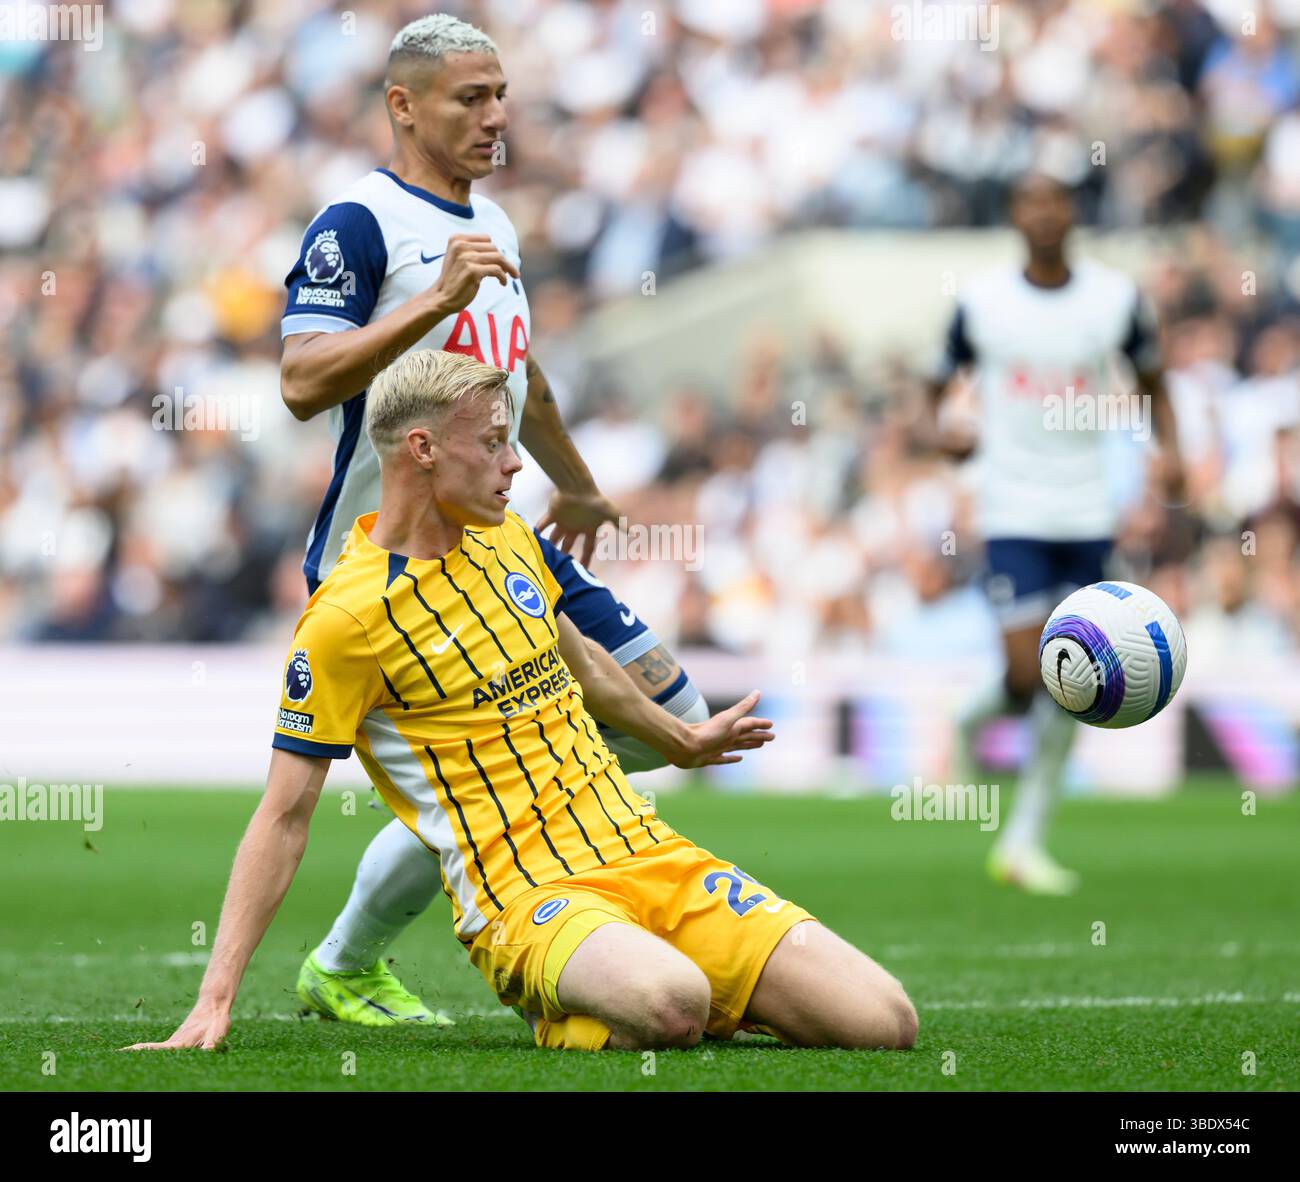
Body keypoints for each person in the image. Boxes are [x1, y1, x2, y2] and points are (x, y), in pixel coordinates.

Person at [125, 350, 917, 1054]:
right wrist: (214, 997)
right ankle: (571, 1005)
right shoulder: (344, 620)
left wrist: (680, 741)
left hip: (647, 852)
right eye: (494, 444)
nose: (515, 466)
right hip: (526, 894)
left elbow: (591, 668)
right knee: (674, 1003)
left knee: (885, 1023)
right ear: (423, 450)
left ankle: (640, 982)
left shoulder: (510, 540)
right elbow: (285, 814)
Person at [277, 13, 708, 1025]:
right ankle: (348, 962)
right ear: (402, 105)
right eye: (470, 98)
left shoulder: (495, 227)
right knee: (482, 771)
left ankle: (398, 927)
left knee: (673, 717)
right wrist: (431, 303)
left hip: (510, 545)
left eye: (500, 94)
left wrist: (582, 482)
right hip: (403, 566)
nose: (496, 116)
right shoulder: (358, 224)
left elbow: (519, 375)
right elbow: (300, 382)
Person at [929, 172, 1184, 895]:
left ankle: (1023, 843)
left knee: (1074, 680)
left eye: (1056, 198)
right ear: (1014, 212)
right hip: (1010, 507)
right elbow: (936, 387)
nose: (1044, 211)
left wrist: (1173, 455)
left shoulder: (1114, 298)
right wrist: (945, 435)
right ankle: (969, 713)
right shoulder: (982, 302)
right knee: (1025, 672)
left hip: (1087, 510)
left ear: (1072, 212)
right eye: (1030, 198)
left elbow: (1155, 380)